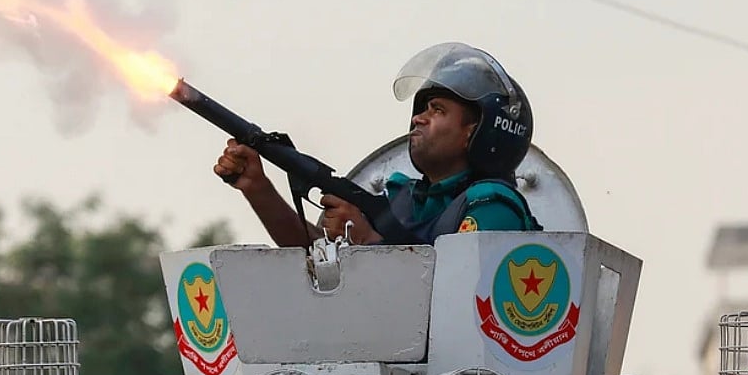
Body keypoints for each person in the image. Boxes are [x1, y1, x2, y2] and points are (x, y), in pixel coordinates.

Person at [213, 42, 540, 247]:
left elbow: (457, 299)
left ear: (479, 130)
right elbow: (312, 259)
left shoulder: (492, 206)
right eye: (422, 109)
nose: (418, 119)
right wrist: (258, 188)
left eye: (438, 110)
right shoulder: (404, 200)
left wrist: (368, 240)